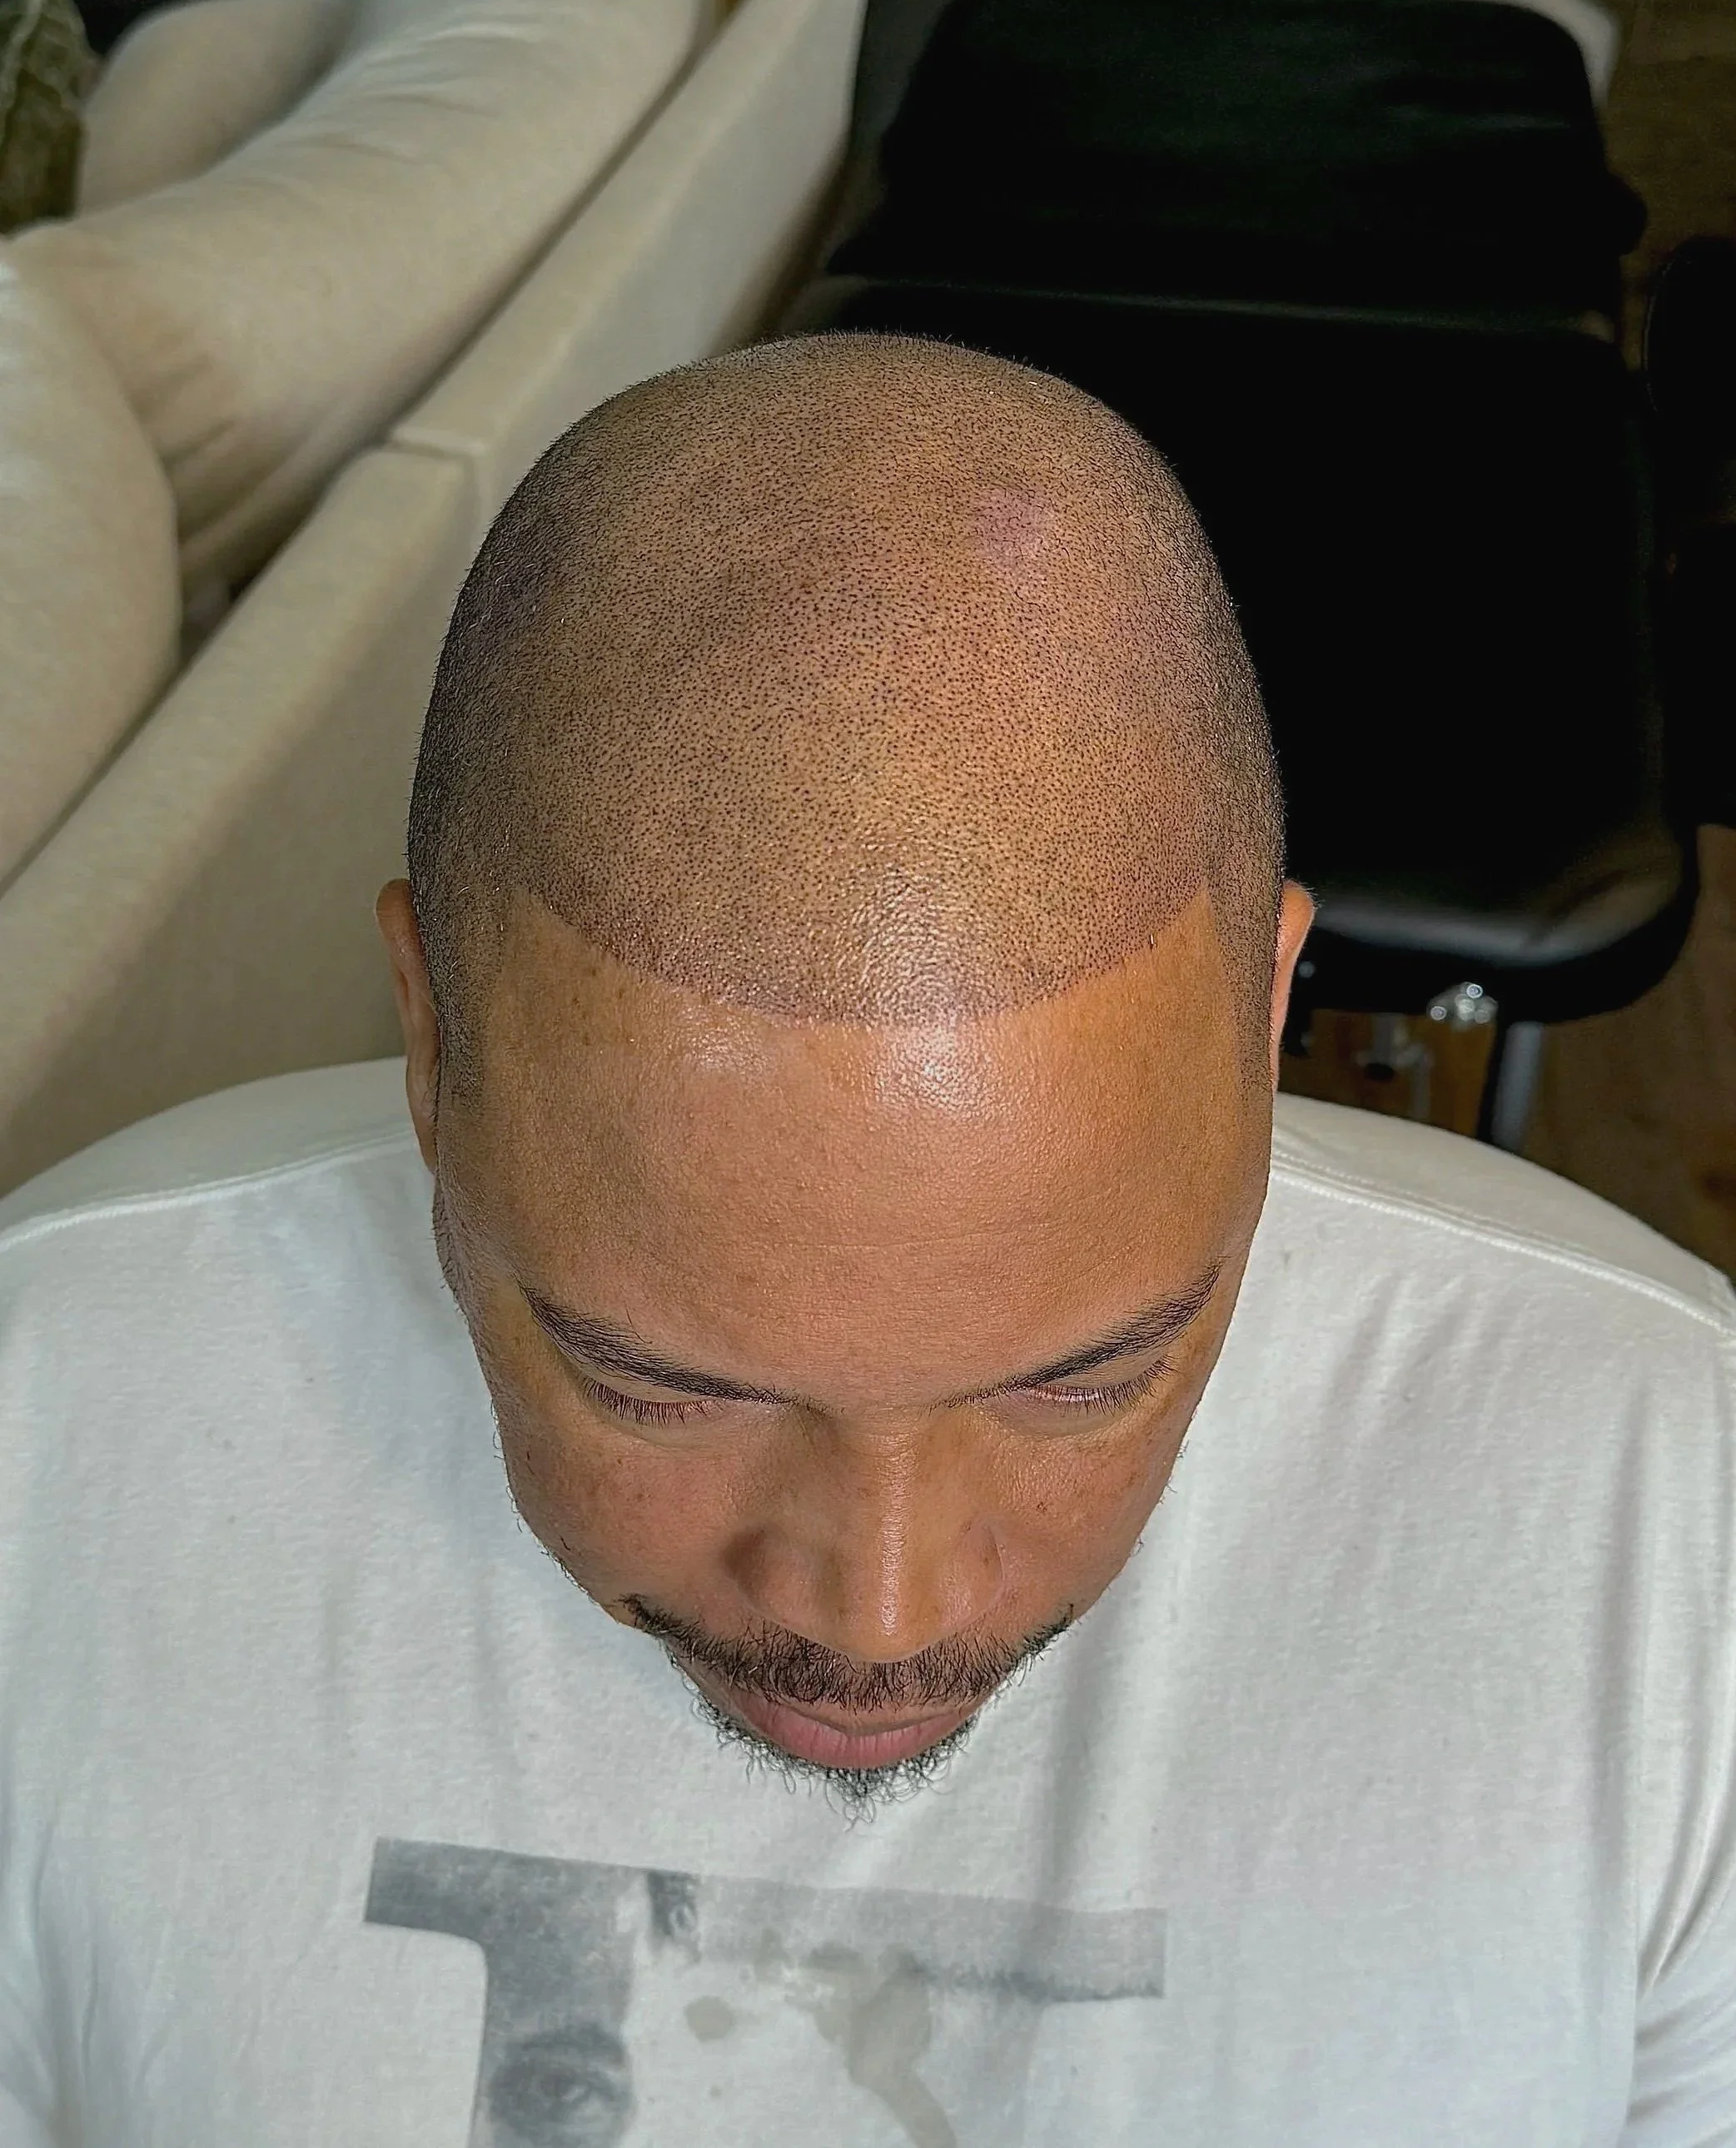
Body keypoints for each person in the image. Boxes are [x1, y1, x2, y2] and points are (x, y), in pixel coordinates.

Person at [0, 336, 1731, 2148]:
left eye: (1091, 1374)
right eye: (654, 1384)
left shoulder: (1666, 1507)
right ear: (432, 1039)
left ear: (1269, 1007)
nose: (881, 1608)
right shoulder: (52, 1426)